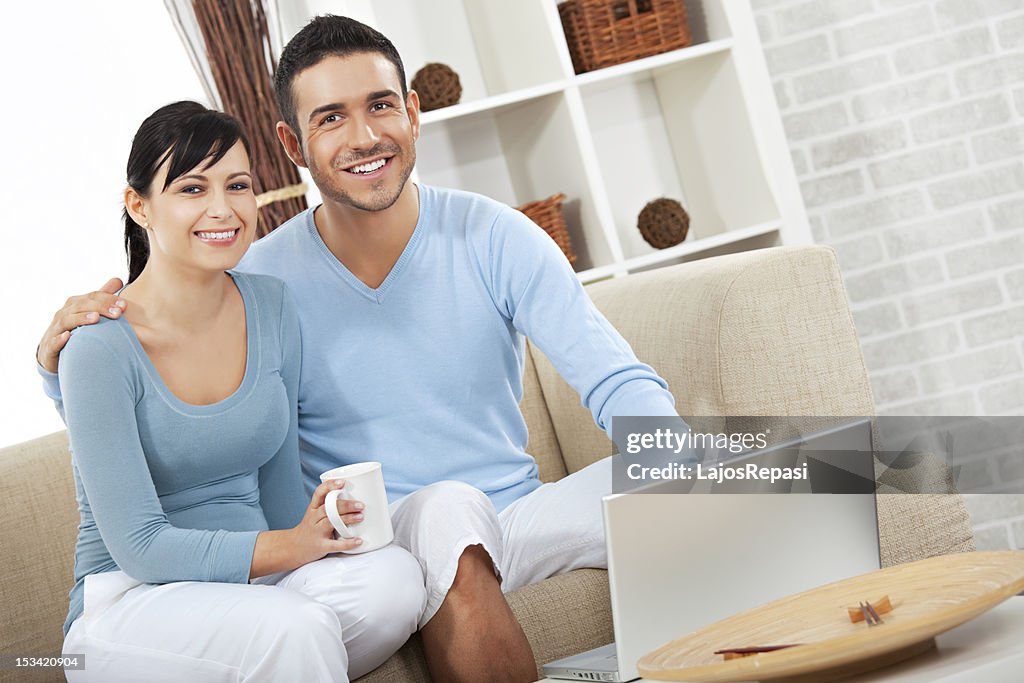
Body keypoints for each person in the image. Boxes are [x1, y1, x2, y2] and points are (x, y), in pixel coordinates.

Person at [38, 16, 685, 682]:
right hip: (400, 526)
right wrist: (61, 365)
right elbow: (161, 381)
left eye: (380, 106)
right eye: (331, 118)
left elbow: (613, 376)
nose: (365, 136)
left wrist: (681, 463)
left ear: (411, 112)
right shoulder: (262, 279)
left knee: (766, 466)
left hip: (518, 512)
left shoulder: (492, 234)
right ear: (292, 143)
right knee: (444, 507)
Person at [51, 101, 425, 683]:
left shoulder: (270, 305)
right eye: (192, 189)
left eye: (239, 185)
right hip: (130, 601)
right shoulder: (96, 346)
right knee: (293, 629)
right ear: (139, 205)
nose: (222, 209)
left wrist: (314, 531)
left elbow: (277, 496)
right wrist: (293, 549)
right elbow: (141, 548)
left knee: (395, 582)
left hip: (256, 584)